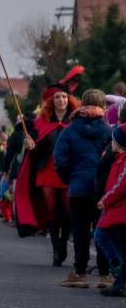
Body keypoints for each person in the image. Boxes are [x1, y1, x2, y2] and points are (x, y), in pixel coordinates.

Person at [54, 89, 112, 288]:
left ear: (81, 105)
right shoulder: (109, 131)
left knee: (79, 232)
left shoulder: (69, 130)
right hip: (103, 190)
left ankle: (79, 274)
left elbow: (60, 159)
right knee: (102, 231)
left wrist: (69, 179)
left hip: (78, 187)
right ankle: (105, 275)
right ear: (103, 106)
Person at [16, 87, 76, 266]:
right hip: (46, 171)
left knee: (67, 210)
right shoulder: (41, 123)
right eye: (57, 97)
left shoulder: (75, 122)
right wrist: (32, 145)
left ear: (69, 100)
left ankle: (64, 242)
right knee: (51, 209)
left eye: (64, 97)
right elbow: (36, 149)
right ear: (52, 101)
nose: (61, 100)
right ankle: (56, 247)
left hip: (67, 172)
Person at [95, 124, 126, 297]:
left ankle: (118, 269)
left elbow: (121, 185)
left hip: (119, 210)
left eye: (113, 140)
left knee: (102, 234)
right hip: (116, 209)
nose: (111, 142)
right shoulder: (119, 159)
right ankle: (120, 280)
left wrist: (105, 200)